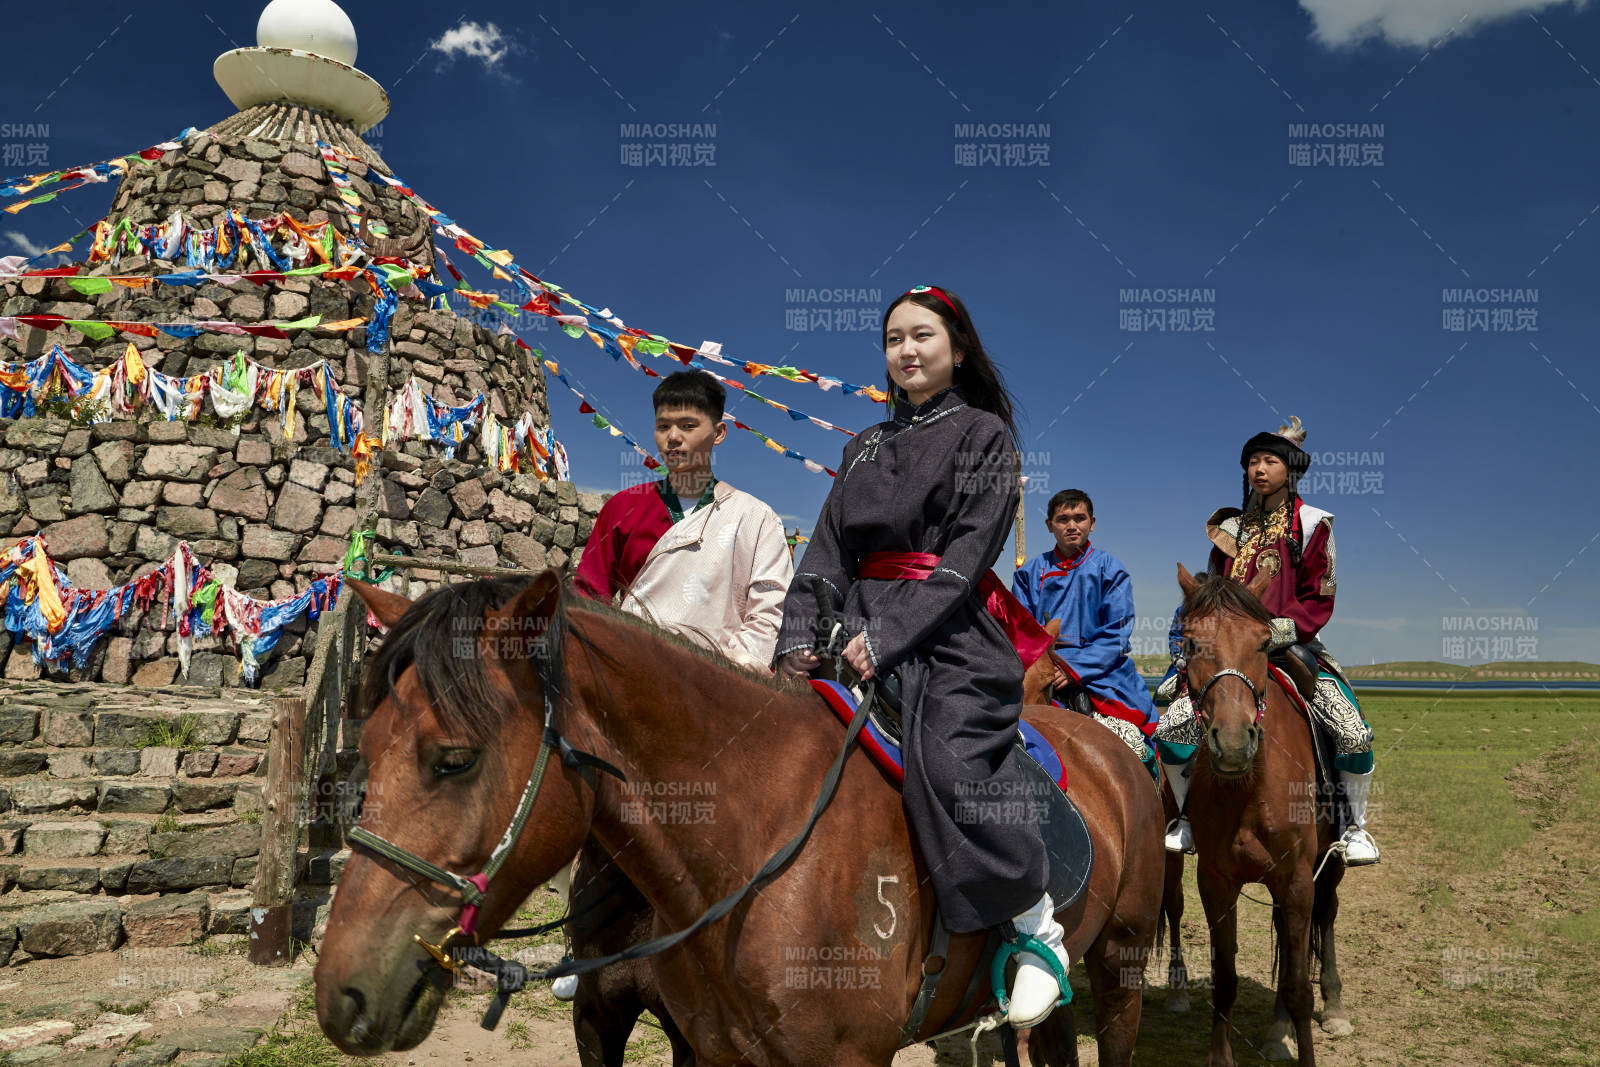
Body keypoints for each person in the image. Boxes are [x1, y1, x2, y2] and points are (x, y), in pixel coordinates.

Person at [774, 285, 1069, 1028]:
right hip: (852, 633)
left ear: (958, 348)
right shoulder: (860, 447)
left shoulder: (984, 437)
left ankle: (1035, 920)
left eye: (923, 336)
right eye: (894, 338)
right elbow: (824, 555)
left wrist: (885, 637)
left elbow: (964, 559)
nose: (907, 350)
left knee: (949, 761)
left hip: (948, 640)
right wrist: (799, 633)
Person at [1153, 418, 1379, 865]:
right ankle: (1186, 817)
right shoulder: (1230, 531)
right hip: (1229, 648)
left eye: (1270, 460)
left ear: (1289, 471)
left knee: (1351, 731)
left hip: (1293, 642)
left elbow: (1321, 594)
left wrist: (1278, 629)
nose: (1260, 468)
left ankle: (1354, 826)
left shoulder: (1313, 524)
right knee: (1171, 727)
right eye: (1254, 461)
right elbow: (1216, 588)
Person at [572, 369, 793, 672]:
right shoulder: (622, 508)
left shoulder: (756, 518)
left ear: (719, 433)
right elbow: (588, 601)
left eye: (688, 426)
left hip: (724, 689)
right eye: (663, 426)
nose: (673, 437)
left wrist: (723, 676)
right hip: (628, 676)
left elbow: (770, 611)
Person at [1012, 489, 1159, 778]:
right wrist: (1045, 668)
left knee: (1134, 748)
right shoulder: (1029, 573)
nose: (1071, 526)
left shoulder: (1110, 569)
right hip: (1042, 671)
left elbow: (1116, 634)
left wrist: (1073, 669)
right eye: (1063, 519)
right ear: (1049, 525)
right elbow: (1020, 631)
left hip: (1102, 674)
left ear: (1092, 523)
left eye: (1079, 518)